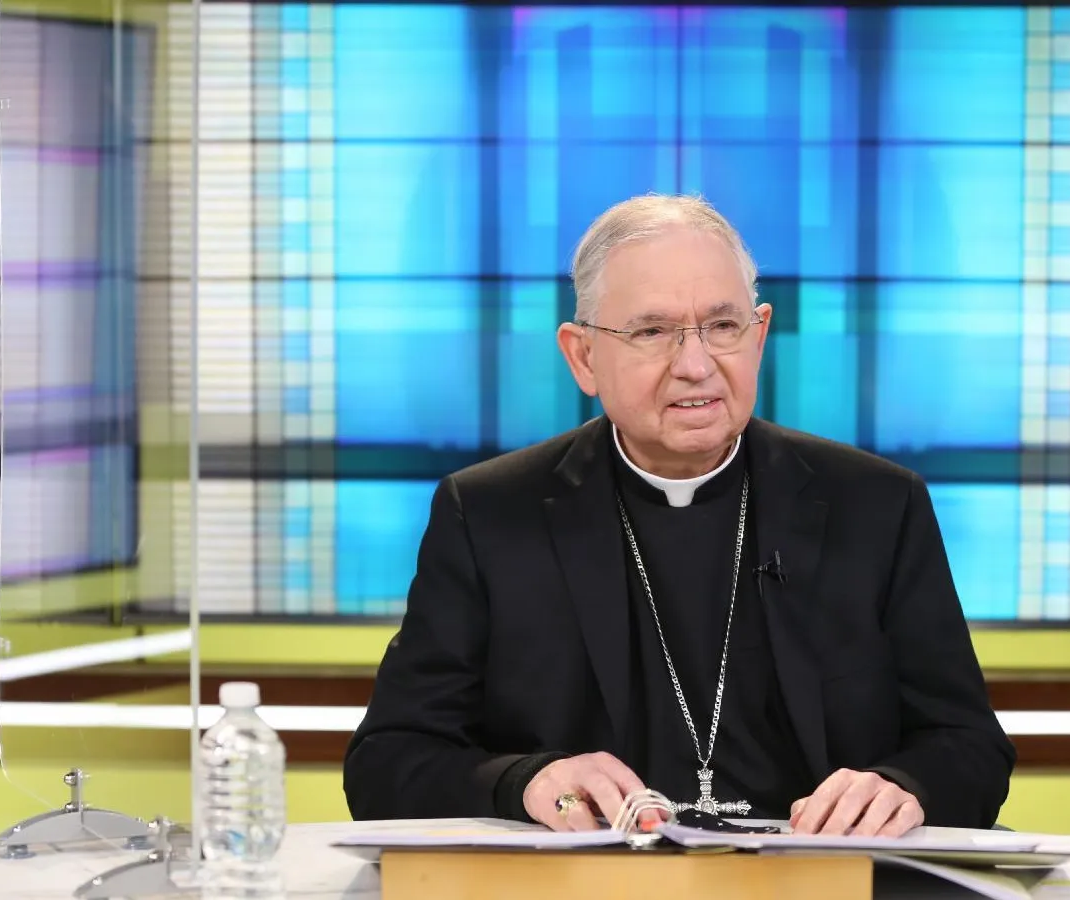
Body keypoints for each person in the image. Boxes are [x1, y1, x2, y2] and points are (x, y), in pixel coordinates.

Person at [343, 194, 1015, 837]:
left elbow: (969, 747)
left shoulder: (876, 506)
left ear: (759, 336)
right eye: (652, 332)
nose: (696, 365)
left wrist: (902, 787)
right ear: (582, 356)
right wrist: (525, 782)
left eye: (722, 327)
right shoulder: (489, 513)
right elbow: (387, 764)